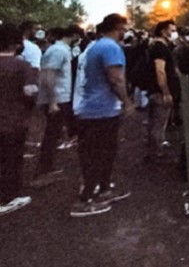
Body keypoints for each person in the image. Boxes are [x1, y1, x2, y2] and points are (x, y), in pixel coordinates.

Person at [72, 14, 132, 217]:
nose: (126, 31)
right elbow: (116, 79)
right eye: (124, 27)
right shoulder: (110, 47)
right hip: (100, 111)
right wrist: (127, 101)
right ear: (117, 27)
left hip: (96, 109)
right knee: (95, 154)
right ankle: (85, 200)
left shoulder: (97, 46)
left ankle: (104, 190)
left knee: (105, 152)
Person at [32, 25, 83, 188]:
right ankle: (42, 172)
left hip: (59, 97)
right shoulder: (59, 51)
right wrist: (53, 101)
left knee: (53, 134)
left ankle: (46, 169)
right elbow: (49, 75)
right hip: (57, 99)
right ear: (74, 35)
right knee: (51, 135)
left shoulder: (60, 50)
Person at [0, 24, 38, 216]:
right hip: (14, 121)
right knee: (12, 159)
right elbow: (30, 92)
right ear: (16, 44)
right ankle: (8, 197)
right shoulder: (22, 66)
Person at [146, 20, 180, 162]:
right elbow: (160, 71)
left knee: (157, 122)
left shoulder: (162, 46)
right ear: (163, 31)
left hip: (158, 90)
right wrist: (165, 92)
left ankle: (155, 150)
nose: (173, 33)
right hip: (160, 92)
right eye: (171, 30)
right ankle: (156, 154)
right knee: (158, 123)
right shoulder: (160, 48)